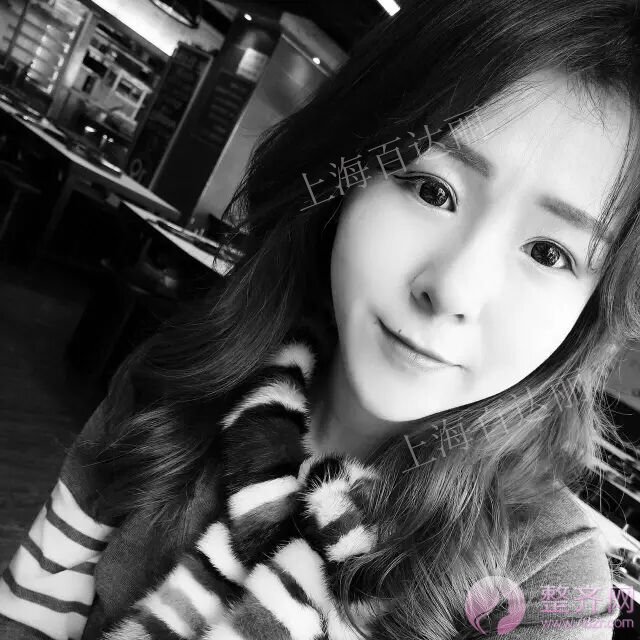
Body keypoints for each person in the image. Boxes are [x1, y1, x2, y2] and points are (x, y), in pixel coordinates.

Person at [2, 0, 640, 637]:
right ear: (348, 176)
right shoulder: (187, 375)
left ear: (593, 310)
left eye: (549, 253)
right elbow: (30, 612)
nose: (452, 289)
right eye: (431, 189)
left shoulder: (548, 586)